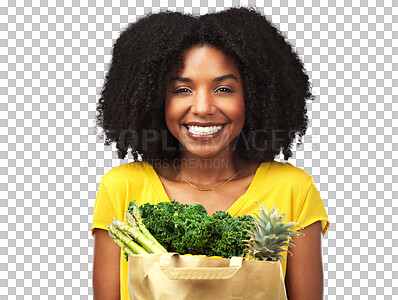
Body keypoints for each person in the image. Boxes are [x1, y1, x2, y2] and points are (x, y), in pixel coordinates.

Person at [91, 7, 329, 300]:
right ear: (153, 99)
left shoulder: (293, 190)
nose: (203, 108)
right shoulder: (121, 189)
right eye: (181, 90)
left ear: (255, 96)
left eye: (224, 89)